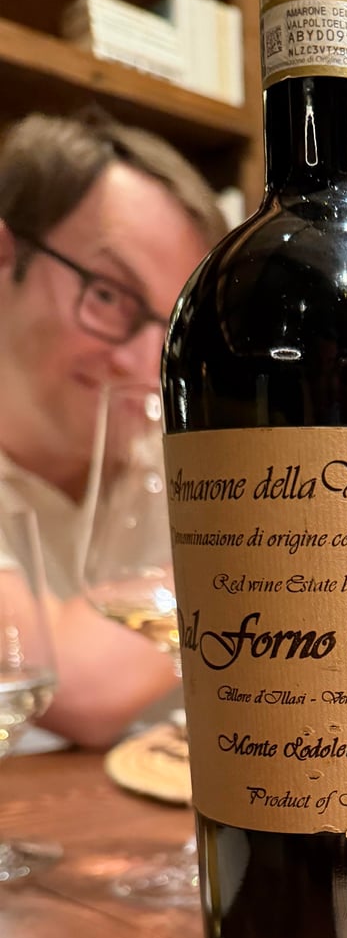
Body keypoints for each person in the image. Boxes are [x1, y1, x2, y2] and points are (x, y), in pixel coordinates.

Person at [0, 111, 227, 748]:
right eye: (107, 295)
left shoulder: (169, 463)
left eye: (176, 327)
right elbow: (76, 684)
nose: (148, 366)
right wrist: (269, 552)